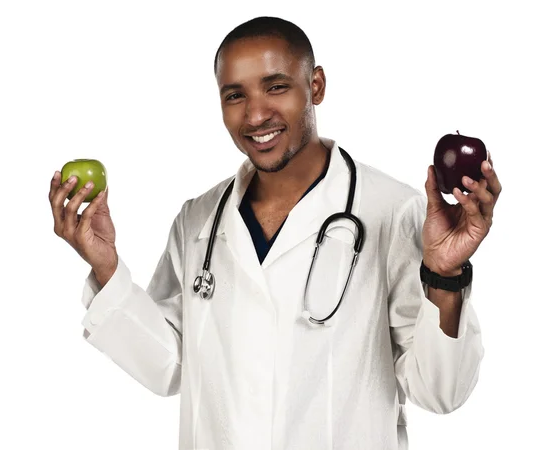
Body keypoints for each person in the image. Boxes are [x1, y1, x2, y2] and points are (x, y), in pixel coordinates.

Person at [48, 16, 501, 450]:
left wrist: (445, 275)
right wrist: (105, 267)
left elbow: (440, 392)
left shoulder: (393, 211)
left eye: (276, 86)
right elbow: (170, 366)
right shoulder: (198, 221)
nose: (255, 115)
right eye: (234, 95)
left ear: (316, 86)